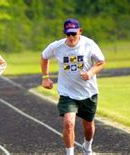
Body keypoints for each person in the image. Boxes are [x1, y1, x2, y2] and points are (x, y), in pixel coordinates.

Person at [40, 18, 105, 155]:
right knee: (69, 123)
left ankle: (87, 147)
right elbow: (44, 57)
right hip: (67, 93)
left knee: (88, 126)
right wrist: (45, 78)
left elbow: (101, 62)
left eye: (73, 34)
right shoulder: (57, 46)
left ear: (80, 31)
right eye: (67, 34)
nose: (70, 37)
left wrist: (90, 72)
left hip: (89, 92)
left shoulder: (89, 44)